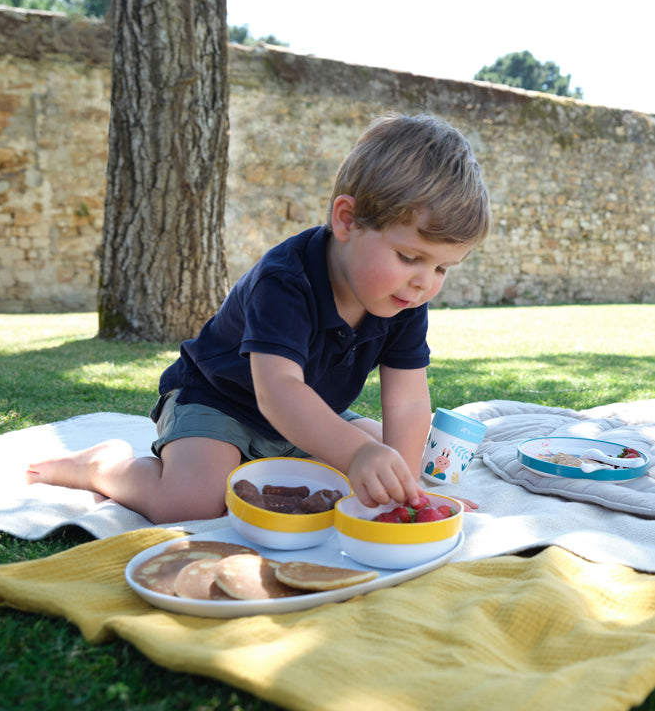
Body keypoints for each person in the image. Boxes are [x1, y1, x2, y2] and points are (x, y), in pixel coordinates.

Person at [27, 113, 491, 523]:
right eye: (410, 256)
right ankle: (101, 467)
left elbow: (408, 403)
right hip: (219, 403)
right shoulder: (285, 279)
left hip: (309, 414)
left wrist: (405, 491)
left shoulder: (404, 298)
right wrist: (359, 453)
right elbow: (278, 392)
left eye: (442, 267)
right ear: (347, 221)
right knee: (194, 501)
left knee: (386, 458)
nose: (425, 283)